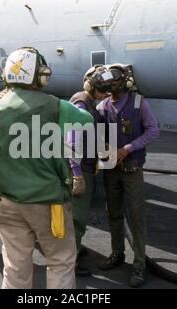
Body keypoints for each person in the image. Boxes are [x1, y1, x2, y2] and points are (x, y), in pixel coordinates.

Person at [0, 47, 93, 289]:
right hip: (47, 203)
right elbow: (87, 121)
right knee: (61, 261)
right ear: (39, 77)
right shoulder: (53, 105)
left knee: (14, 265)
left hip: (5, 202)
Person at [96, 64, 159, 288]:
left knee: (136, 218)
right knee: (113, 213)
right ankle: (117, 253)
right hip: (111, 170)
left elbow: (153, 130)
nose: (107, 86)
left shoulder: (139, 104)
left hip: (132, 169)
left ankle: (139, 266)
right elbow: (99, 134)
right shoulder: (103, 107)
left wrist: (128, 148)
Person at [67, 65, 114, 276]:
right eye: (103, 89)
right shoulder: (81, 105)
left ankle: (71, 250)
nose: (106, 94)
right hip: (79, 169)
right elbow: (72, 143)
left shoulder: (87, 102)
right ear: (90, 86)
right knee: (77, 217)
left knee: (74, 215)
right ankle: (70, 263)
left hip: (85, 166)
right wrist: (77, 175)